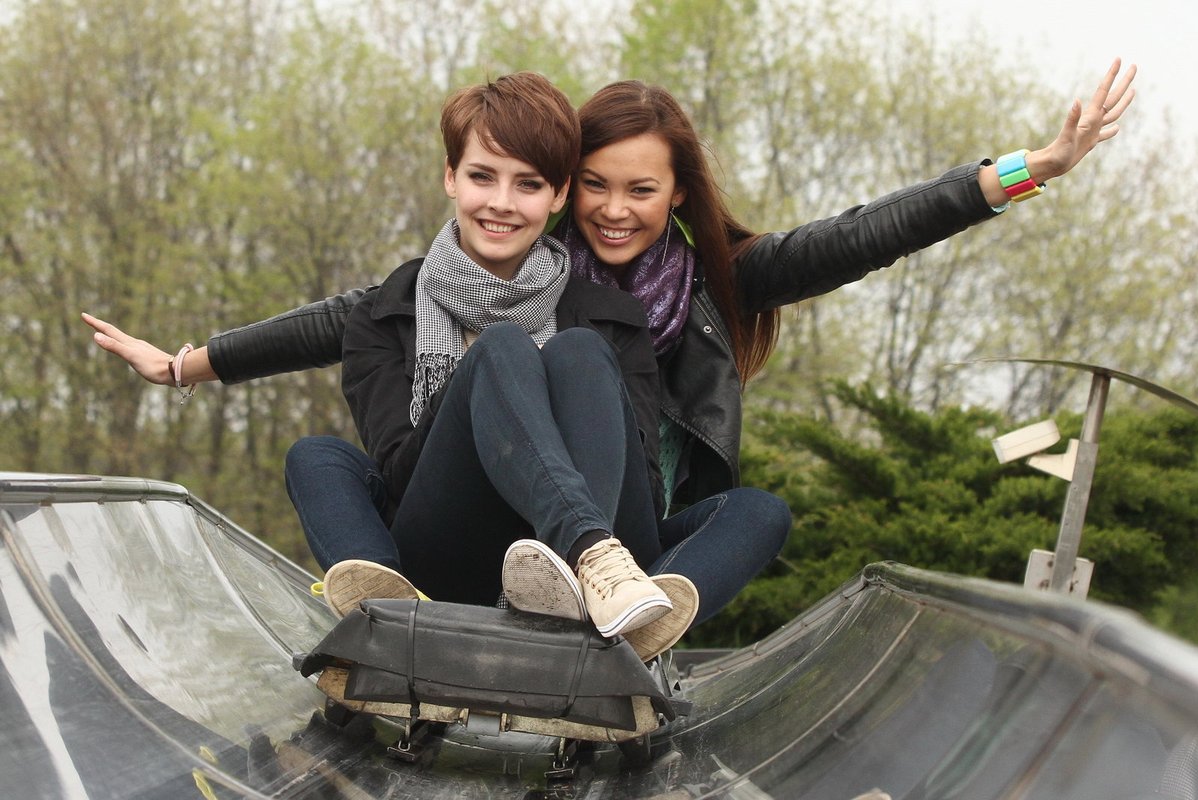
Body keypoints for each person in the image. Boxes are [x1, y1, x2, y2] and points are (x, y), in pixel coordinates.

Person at [84, 58, 1136, 635]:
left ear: (679, 194)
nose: (615, 211)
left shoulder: (705, 282)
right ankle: (402, 588)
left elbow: (861, 236)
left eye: (642, 190)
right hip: (484, 516)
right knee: (352, 434)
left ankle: (642, 609)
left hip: (630, 509)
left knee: (752, 499)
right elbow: (330, 323)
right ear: (554, 183)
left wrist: (1028, 167)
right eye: (591, 184)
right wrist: (184, 362)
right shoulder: (472, 276)